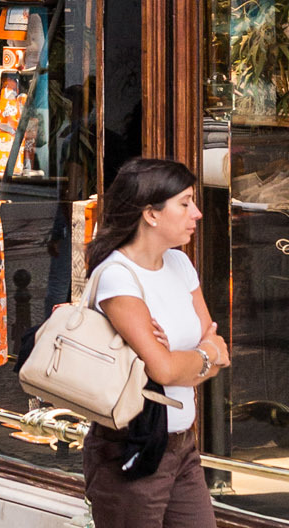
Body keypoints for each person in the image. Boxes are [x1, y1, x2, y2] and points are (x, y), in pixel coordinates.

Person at [82, 157, 231, 528]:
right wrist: (199, 356)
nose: (196, 213)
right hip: (131, 448)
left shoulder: (181, 265)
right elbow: (164, 368)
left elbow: (218, 349)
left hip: (182, 445)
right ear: (151, 214)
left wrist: (190, 358)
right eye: (185, 203)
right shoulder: (118, 276)